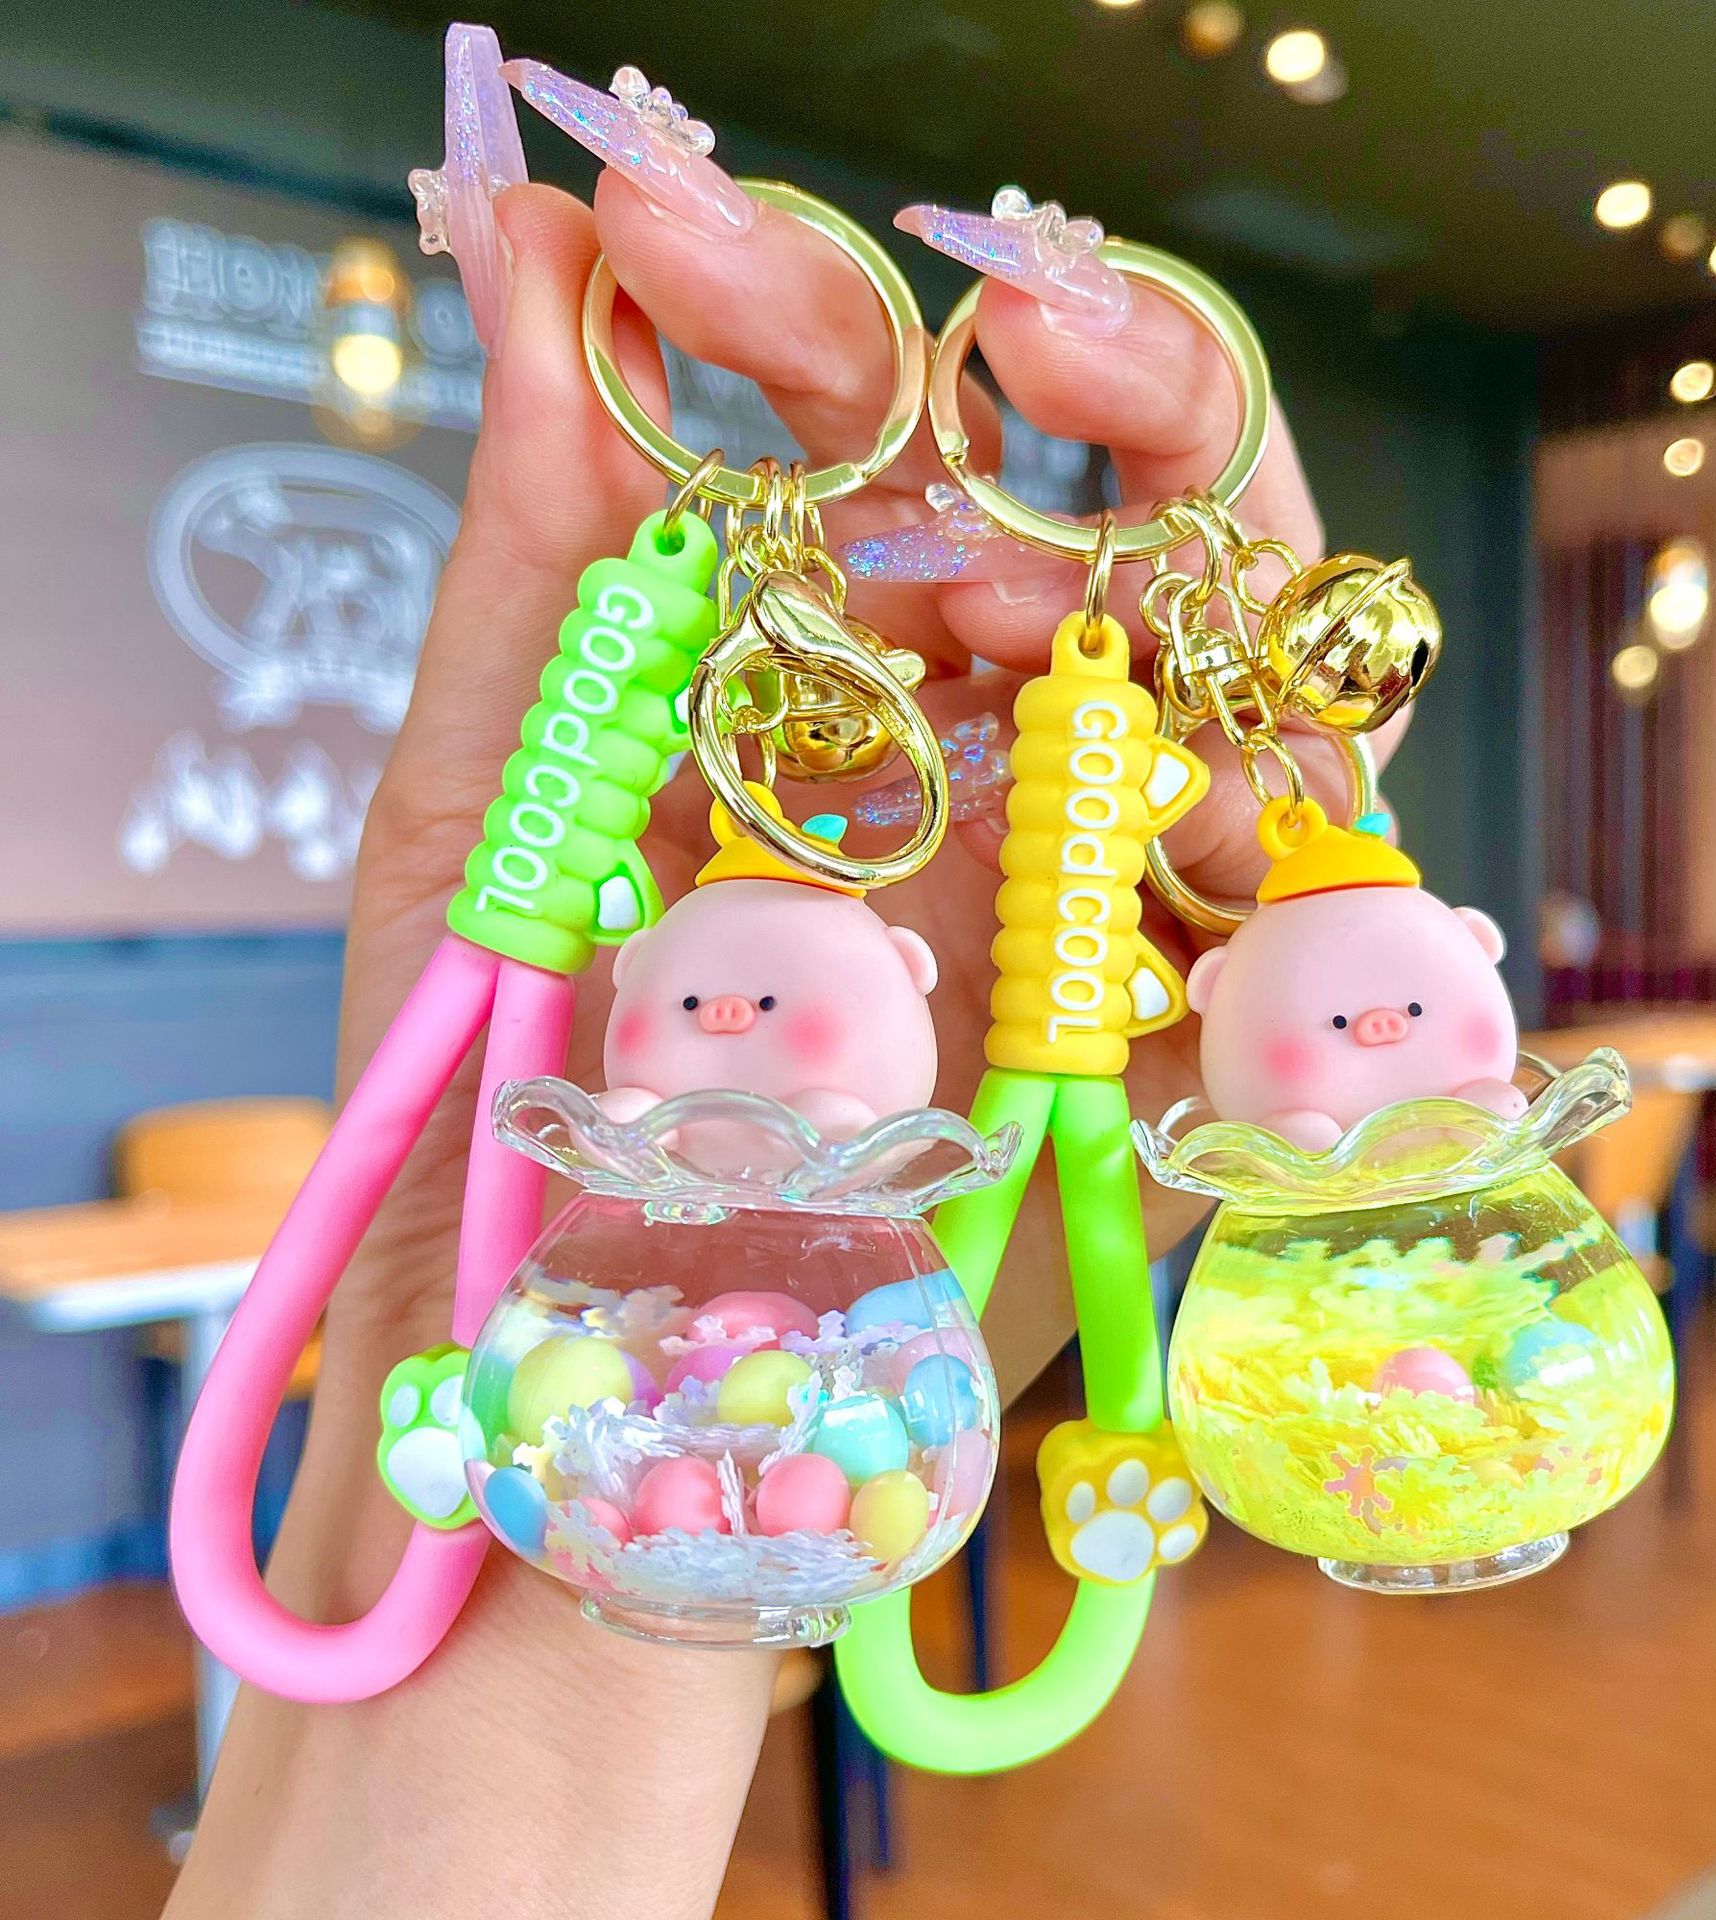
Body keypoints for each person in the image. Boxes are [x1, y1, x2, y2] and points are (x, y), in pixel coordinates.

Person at [165, 158, 1403, 1917]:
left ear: (898, 981)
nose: (729, 1012)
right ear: (637, 986)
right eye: (690, 997)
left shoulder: (871, 1095)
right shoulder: (582, 1063)